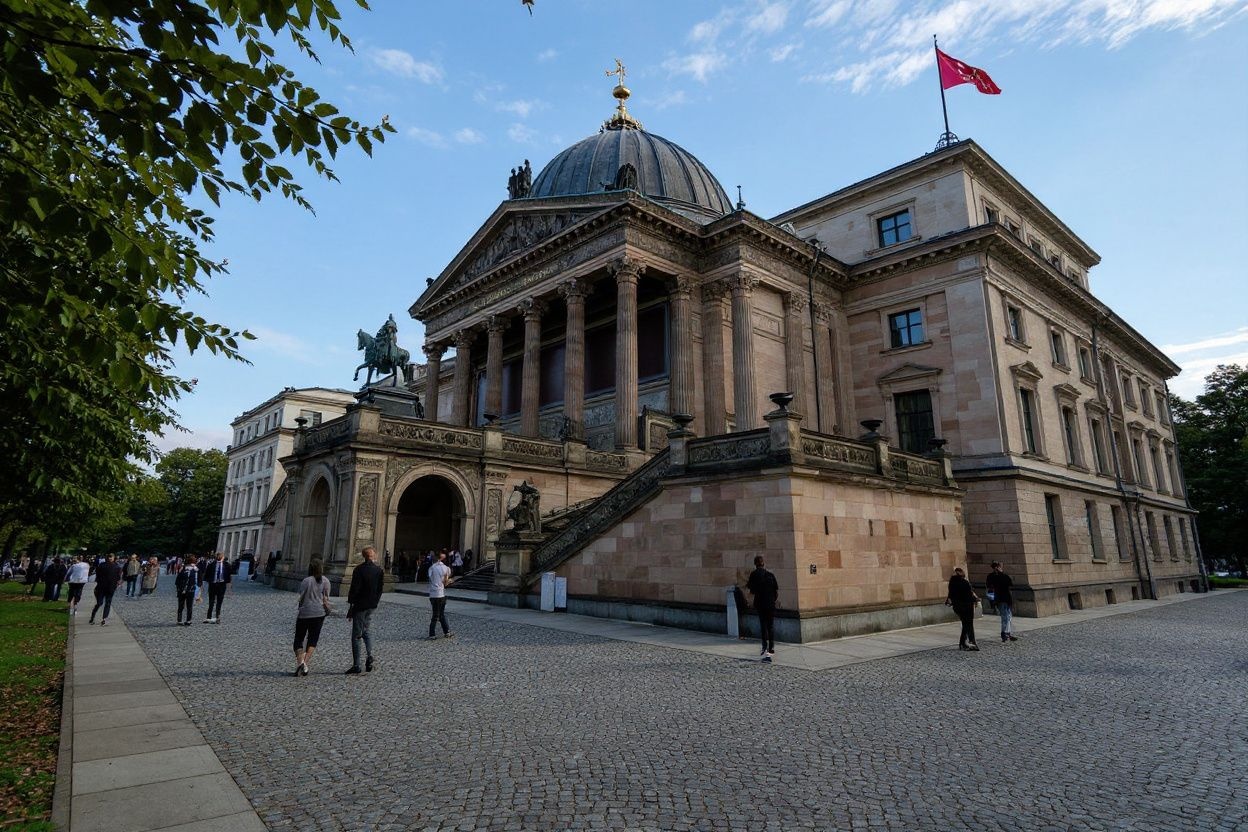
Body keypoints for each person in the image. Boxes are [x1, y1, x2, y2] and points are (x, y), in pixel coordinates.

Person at [345, 546, 384, 674]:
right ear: (373, 556)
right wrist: (375, 602)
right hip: (371, 605)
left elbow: (354, 589)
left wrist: (351, 606)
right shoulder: (379, 570)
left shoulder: (359, 570)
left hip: (360, 605)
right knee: (366, 630)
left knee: (356, 635)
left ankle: (356, 665)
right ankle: (369, 655)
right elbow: (380, 589)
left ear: (363, 556)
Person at [294, 560, 333, 676]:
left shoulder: (306, 581)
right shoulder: (326, 581)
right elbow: (326, 598)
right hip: (319, 613)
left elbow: (300, 597)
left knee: (298, 639)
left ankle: (300, 662)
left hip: (305, 612)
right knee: (313, 639)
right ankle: (305, 664)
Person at [745, 555, 779, 661]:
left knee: (763, 626)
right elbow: (776, 591)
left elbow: (751, 590)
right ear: (763, 563)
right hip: (770, 604)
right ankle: (771, 649)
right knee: (771, 627)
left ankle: (765, 648)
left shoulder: (754, 575)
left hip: (760, 604)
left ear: (755, 564)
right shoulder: (770, 575)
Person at [946, 566, 981, 651]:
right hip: (967, 606)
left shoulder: (952, 583)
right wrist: (976, 599)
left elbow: (951, 595)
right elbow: (968, 595)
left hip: (957, 607)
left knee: (965, 624)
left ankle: (963, 643)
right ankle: (972, 642)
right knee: (968, 624)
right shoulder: (965, 582)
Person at [985, 561, 1019, 643]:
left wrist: (1002, 574)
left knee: (1009, 617)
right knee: (1005, 617)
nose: (999, 568)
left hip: (1006, 598)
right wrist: (1001, 574)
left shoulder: (1002, 575)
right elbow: (990, 586)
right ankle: (1004, 633)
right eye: (998, 567)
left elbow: (1010, 583)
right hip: (1000, 599)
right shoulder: (992, 576)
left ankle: (1008, 633)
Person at [426, 551, 453, 640]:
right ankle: (446, 632)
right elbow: (445, 583)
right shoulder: (446, 568)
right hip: (441, 593)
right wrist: (450, 581)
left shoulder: (431, 568)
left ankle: (433, 633)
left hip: (433, 594)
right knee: (441, 614)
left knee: (435, 615)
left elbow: (430, 578)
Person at [89, 554, 122, 625]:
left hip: (108, 587)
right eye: (109, 557)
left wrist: (116, 585)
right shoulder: (103, 566)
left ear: (113, 558)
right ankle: (93, 617)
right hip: (102, 587)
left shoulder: (116, 567)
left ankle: (103, 619)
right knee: (100, 603)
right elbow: (98, 576)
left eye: (111, 557)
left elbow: (118, 578)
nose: (110, 558)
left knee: (106, 603)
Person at [202, 551, 232, 623]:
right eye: (218, 556)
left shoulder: (227, 565)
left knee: (219, 602)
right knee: (211, 601)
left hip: (221, 584)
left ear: (222, 557)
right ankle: (208, 617)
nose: (219, 557)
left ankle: (217, 617)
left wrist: (228, 584)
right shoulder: (211, 565)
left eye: (220, 556)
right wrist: (209, 581)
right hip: (213, 584)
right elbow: (206, 575)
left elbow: (229, 574)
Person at [175, 555, 200, 625]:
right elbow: (198, 581)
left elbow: (177, 581)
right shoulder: (195, 570)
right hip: (190, 590)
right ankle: (188, 620)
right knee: (189, 606)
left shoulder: (185, 569)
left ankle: (180, 620)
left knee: (181, 606)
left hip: (183, 589)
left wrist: (178, 589)